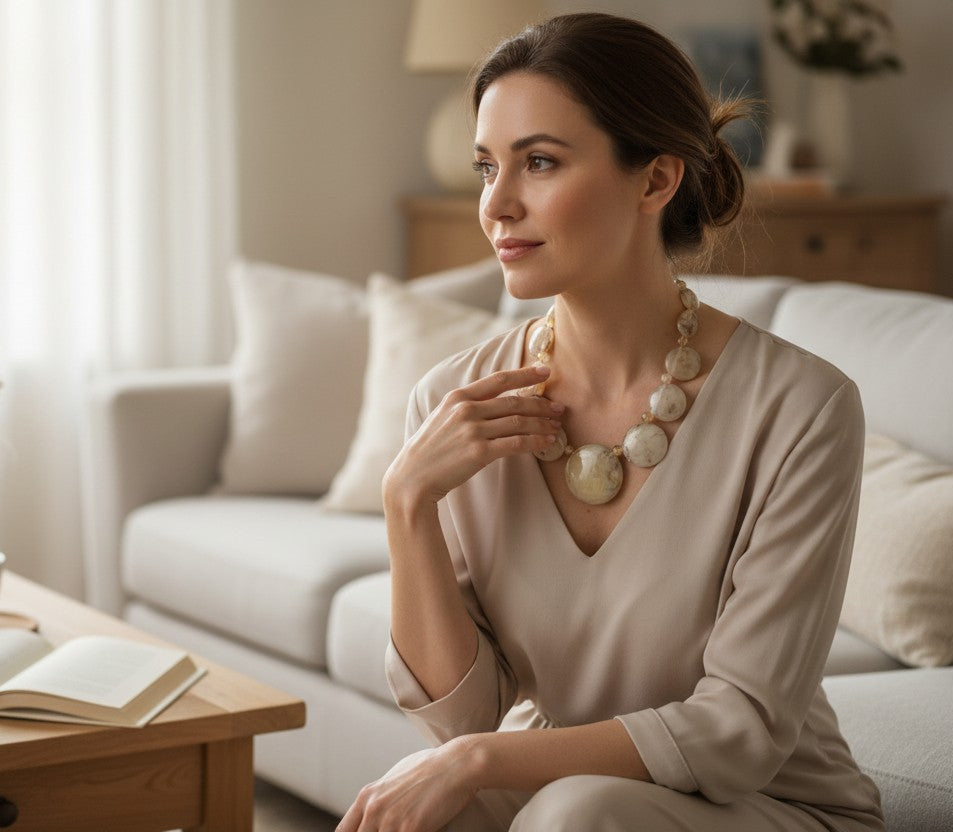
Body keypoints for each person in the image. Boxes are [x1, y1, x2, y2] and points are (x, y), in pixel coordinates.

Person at [336, 12, 884, 832]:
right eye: (487, 167)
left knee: (572, 811)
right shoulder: (456, 402)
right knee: (418, 807)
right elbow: (462, 720)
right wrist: (406, 501)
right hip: (573, 791)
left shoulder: (803, 408)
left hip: (769, 804)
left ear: (655, 181)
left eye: (539, 162)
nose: (497, 204)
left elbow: (740, 731)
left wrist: (478, 761)